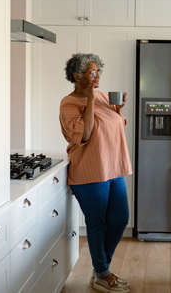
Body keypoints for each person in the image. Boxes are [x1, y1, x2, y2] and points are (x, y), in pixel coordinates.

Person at [59, 53, 132, 293]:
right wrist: (90, 100)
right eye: (92, 72)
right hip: (90, 171)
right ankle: (102, 274)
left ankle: (102, 270)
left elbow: (116, 127)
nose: (97, 76)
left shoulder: (103, 96)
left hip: (113, 167)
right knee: (97, 222)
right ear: (77, 76)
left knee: (120, 218)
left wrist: (118, 110)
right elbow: (86, 134)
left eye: (98, 71)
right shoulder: (69, 104)